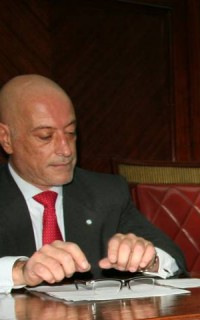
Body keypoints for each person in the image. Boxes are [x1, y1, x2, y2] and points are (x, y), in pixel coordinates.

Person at [0, 74, 186, 294]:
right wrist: (19, 272)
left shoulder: (106, 193)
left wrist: (148, 258)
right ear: (6, 138)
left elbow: (174, 261)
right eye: (45, 136)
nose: (66, 149)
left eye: (70, 133)